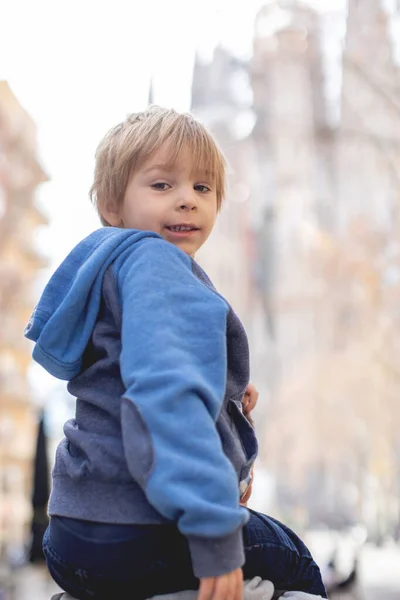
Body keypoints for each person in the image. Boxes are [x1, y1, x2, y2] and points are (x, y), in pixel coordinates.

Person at [25, 106, 327, 600]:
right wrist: (213, 532)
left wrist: (226, 403)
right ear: (112, 205)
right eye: (162, 185)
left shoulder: (110, 271)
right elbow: (166, 397)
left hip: (72, 539)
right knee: (294, 562)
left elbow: (125, 385)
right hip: (136, 530)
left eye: (202, 188)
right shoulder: (157, 263)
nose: (187, 200)